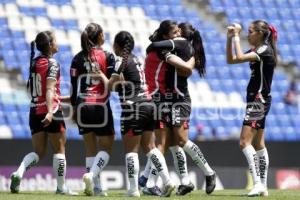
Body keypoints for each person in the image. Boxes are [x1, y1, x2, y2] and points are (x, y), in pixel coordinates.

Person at [99, 31, 175, 197]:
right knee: (150, 147)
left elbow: (110, 87)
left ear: (117, 46)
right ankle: (168, 182)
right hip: (148, 105)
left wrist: (100, 75)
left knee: (131, 150)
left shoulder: (121, 61)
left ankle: (133, 190)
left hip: (133, 107)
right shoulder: (137, 59)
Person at [147, 22, 217, 195]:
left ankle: (209, 172)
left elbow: (153, 46)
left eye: (178, 29)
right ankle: (185, 181)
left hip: (180, 100)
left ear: (182, 34)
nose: (176, 31)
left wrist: (156, 38)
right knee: (172, 143)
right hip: (170, 99)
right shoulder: (184, 48)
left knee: (181, 139)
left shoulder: (181, 44)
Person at [10, 31, 77, 195]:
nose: (57, 42)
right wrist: (49, 111)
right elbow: (49, 89)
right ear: (50, 45)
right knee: (60, 150)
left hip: (34, 111)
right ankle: (61, 187)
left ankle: (19, 172)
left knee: (39, 152)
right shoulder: (52, 63)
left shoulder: (34, 62)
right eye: (55, 40)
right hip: (51, 110)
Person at [140, 20, 195, 196]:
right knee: (161, 144)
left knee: (159, 144)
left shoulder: (152, 53)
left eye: (179, 33)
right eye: (174, 34)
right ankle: (158, 181)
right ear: (166, 37)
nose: (178, 36)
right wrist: (194, 56)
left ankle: (146, 179)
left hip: (151, 98)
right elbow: (186, 69)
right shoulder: (164, 53)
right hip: (160, 99)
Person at [226, 20, 278, 196]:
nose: (247, 35)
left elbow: (239, 57)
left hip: (258, 100)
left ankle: (257, 184)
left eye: (250, 31)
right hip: (258, 100)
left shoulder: (263, 50)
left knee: (244, 142)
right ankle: (263, 186)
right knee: (258, 143)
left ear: (260, 33)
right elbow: (232, 60)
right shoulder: (259, 50)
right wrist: (229, 39)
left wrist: (236, 37)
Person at [69, 23, 115, 196]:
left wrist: (74, 108)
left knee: (90, 147)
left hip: (82, 105)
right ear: (100, 36)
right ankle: (92, 176)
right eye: (103, 33)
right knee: (107, 146)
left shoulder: (77, 58)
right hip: (100, 105)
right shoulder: (108, 56)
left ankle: (97, 188)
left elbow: (74, 88)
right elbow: (112, 85)